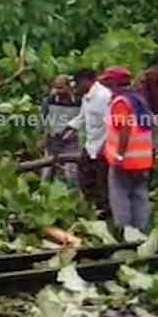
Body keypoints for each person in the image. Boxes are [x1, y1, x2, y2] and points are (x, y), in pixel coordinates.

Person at [103, 67, 156, 233]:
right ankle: (142, 231)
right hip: (143, 160)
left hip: (125, 160)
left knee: (120, 196)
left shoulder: (121, 102)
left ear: (115, 83)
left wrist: (119, 155)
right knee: (139, 196)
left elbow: (124, 128)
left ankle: (125, 232)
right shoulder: (139, 100)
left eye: (108, 81)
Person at [64, 69, 113, 212]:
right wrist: (67, 130)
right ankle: (92, 209)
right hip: (91, 145)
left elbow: (112, 124)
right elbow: (82, 117)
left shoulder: (104, 96)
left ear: (86, 81)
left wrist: (105, 147)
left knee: (102, 183)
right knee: (86, 179)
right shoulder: (87, 97)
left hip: (104, 147)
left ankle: (105, 213)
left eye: (77, 84)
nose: (76, 88)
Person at [39, 75, 84, 187]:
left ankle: (75, 198)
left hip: (71, 142)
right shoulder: (49, 101)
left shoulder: (79, 102)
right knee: (46, 174)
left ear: (69, 87)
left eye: (60, 88)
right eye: (56, 87)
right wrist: (42, 138)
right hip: (52, 141)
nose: (57, 91)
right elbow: (43, 121)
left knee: (71, 175)